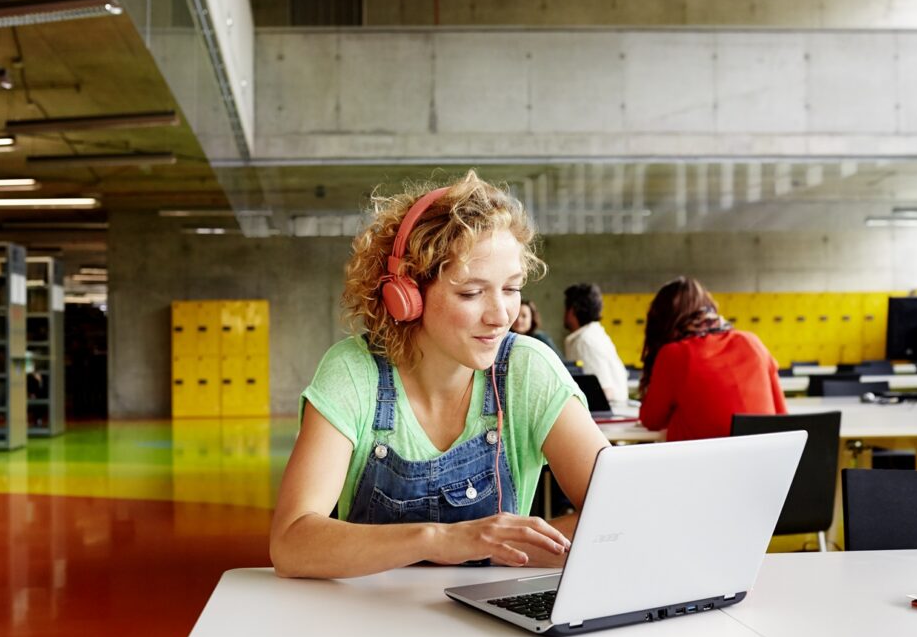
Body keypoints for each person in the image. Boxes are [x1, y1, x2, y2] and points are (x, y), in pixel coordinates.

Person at [270, 171, 609, 579]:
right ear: (406, 295)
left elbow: (620, 515)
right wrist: (439, 540)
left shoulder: (528, 368)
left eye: (512, 288)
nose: (502, 316)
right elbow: (291, 542)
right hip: (365, 625)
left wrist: (507, 549)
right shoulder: (353, 373)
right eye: (471, 292)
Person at [638, 276, 787, 442]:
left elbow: (651, 420)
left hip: (705, 464)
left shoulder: (674, 354)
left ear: (661, 322)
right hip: (764, 461)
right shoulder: (752, 342)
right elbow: (781, 416)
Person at [563, 283, 629, 405]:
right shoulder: (594, 334)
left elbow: (605, 392)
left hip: (604, 418)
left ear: (572, 311)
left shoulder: (585, 341)